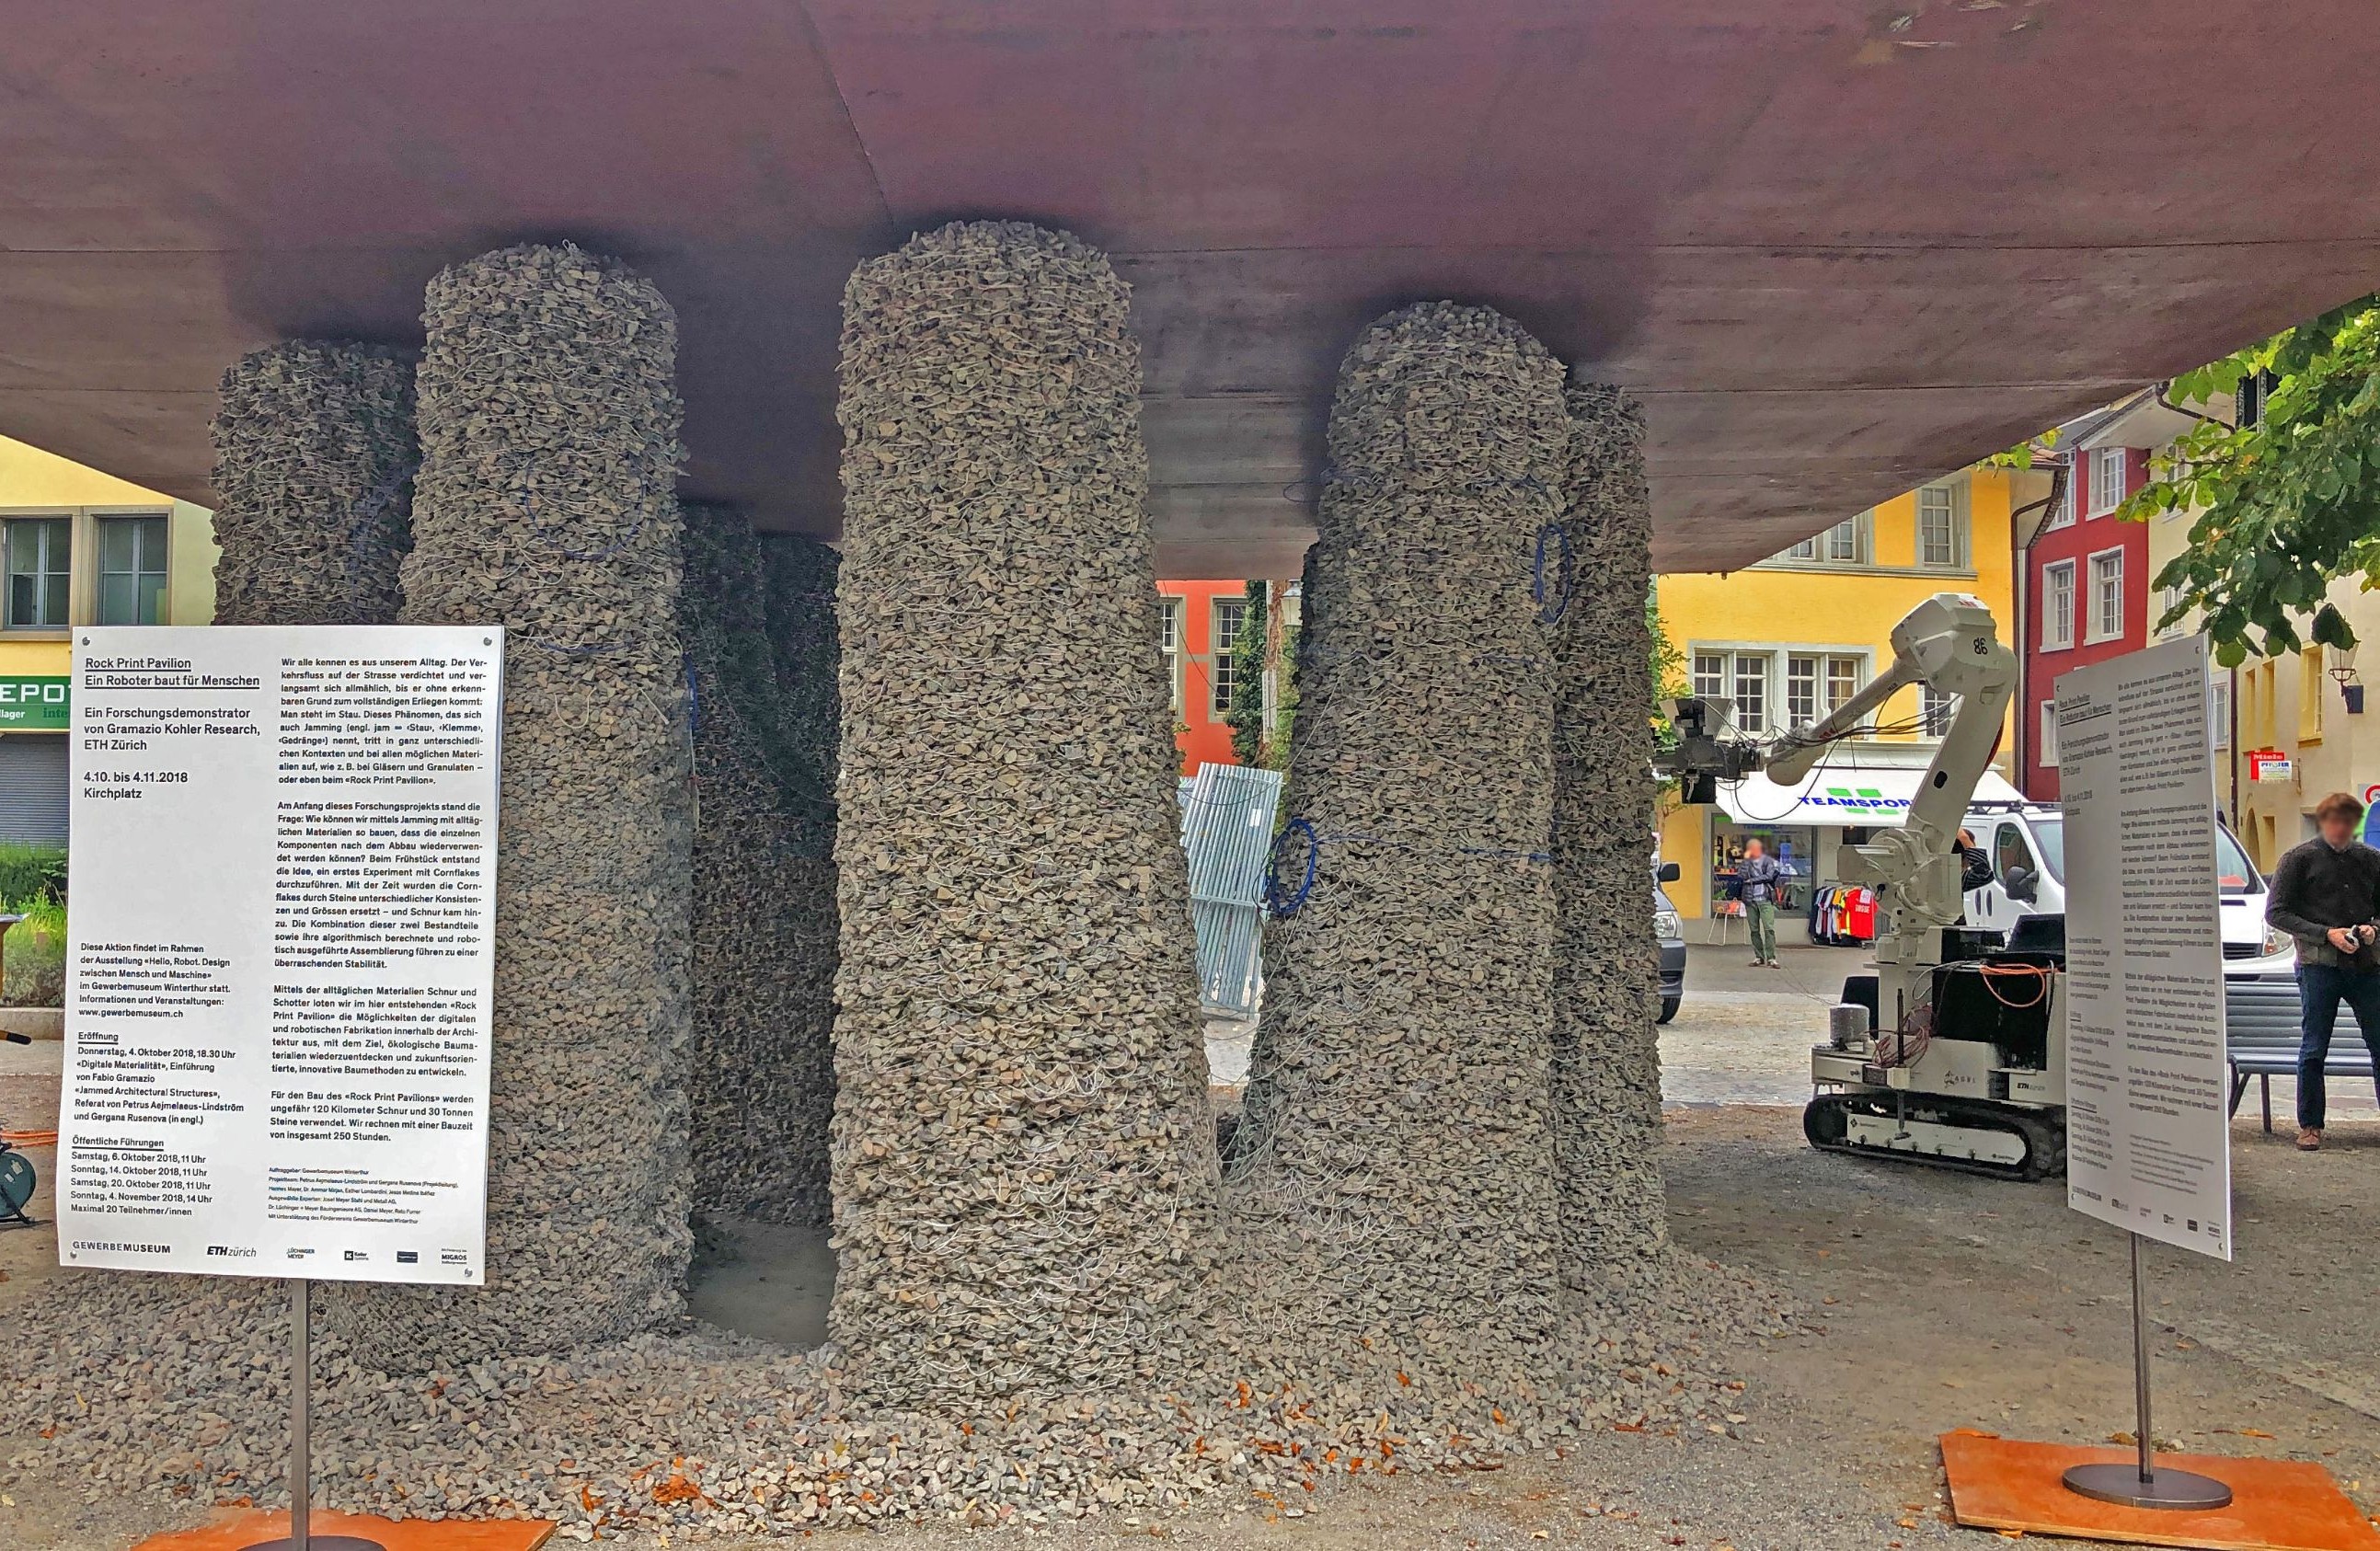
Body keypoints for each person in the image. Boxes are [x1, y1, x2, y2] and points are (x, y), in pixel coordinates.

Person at [2264, 790, 2380, 1151]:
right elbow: (2276, 912)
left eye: (2348, 822)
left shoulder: (2371, 860)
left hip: (2365, 965)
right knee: (2314, 1047)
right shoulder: (2299, 859)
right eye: (2334, 821)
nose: (2341, 828)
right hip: (2319, 966)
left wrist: (2373, 927)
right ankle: (2310, 1125)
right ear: (2322, 822)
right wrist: (2324, 934)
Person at [1737, 836, 1786, 969]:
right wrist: (1746, 863)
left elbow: (1769, 876)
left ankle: (1771, 958)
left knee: (1769, 929)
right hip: (1750, 899)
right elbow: (1740, 876)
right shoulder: (1746, 862)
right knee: (1754, 930)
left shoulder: (1767, 861)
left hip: (1764, 899)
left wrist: (1752, 880)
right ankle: (1759, 957)